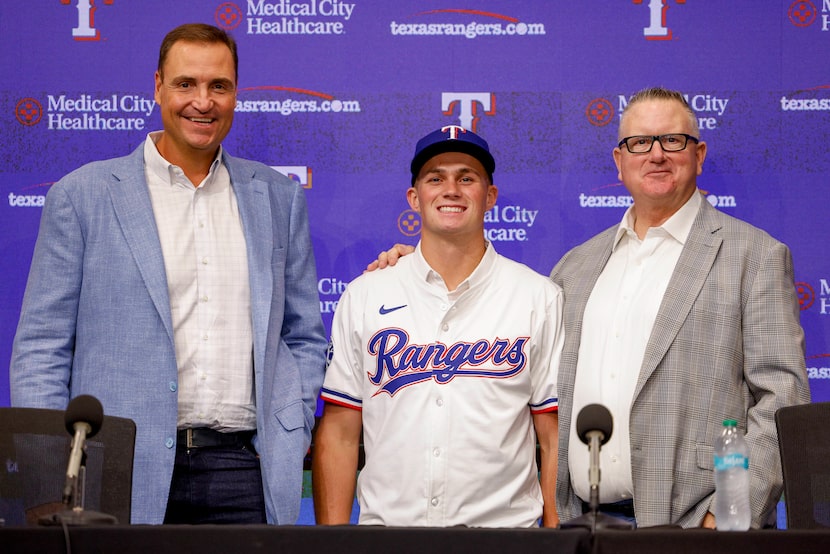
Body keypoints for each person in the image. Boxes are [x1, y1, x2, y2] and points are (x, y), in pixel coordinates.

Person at [370, 87, 811, 529]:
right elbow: (495, 315)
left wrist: (729, 512)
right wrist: (415, 267)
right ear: (619, 163)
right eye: (639, 143)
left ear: (698, 154)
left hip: (699, 528)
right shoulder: (577, 267)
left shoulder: (754, 256)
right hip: (585, 527)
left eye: (672, 140)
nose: (655, 155)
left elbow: (782, 400)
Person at [9, 23, 327, 525]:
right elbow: (42, 348)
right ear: (158, 86)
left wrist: (292, 428)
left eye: (218, 86)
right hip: (113, 466)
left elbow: (304, 335)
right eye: (186, 84)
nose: (202, 101)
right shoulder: (83, 196)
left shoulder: (278, 198)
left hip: (245, 471)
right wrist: (51, 477)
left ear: (235, 94)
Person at [312, 125, 564, 527]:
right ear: (414, 198)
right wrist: (334, 544)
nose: (451, 189)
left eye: (467, 177)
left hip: (505, 540)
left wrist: (555, 541)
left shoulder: (538, 297)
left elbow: (552, 439)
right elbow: (340, 435)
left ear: (490, 197)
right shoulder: (364, 295)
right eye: (436, 178)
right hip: (390, 538)